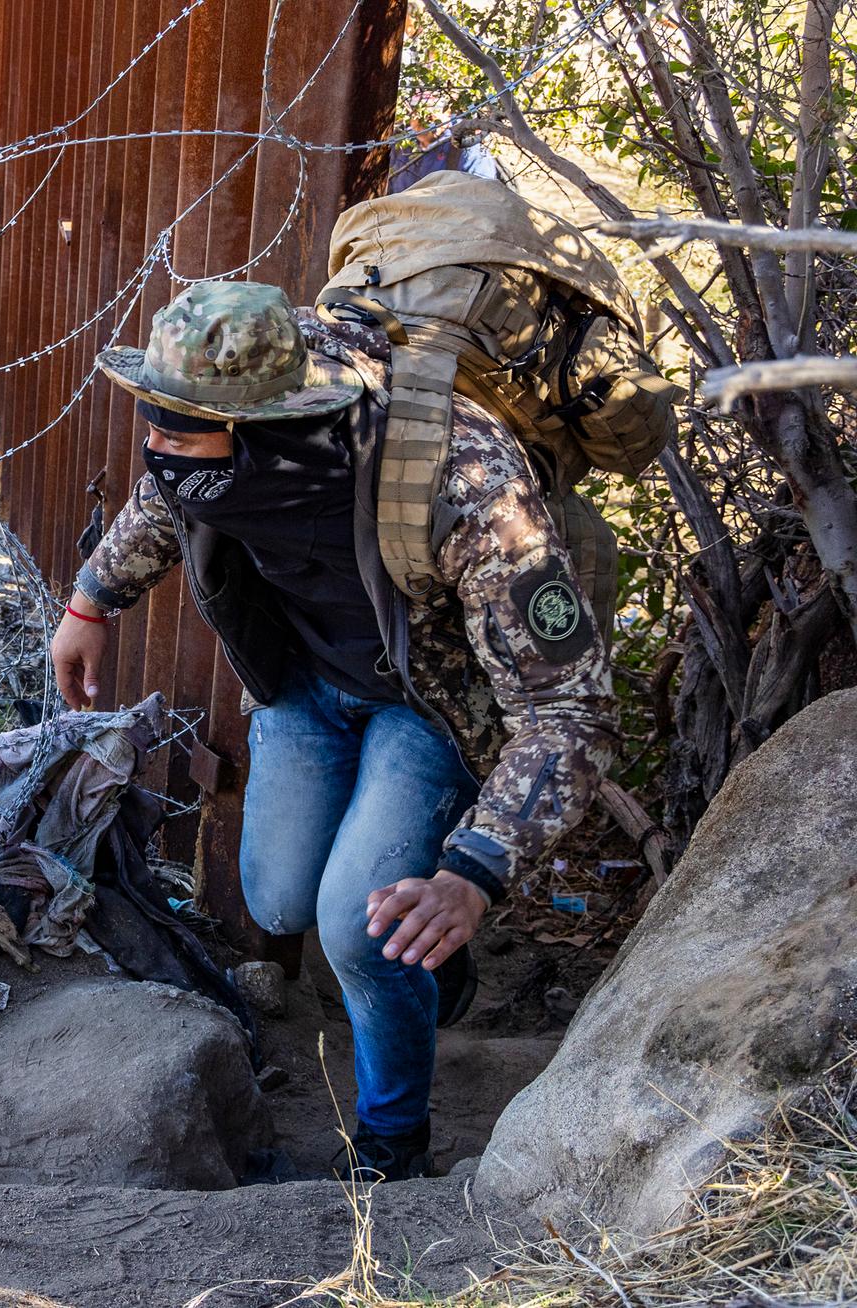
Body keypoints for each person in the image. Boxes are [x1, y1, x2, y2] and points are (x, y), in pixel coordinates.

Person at [52, 281, 618, 1180]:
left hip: (427, 707)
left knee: (362, 932)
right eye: (149, 420)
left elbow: (571, 713)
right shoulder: (215, 424)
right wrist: (93, 599)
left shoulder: (465, 486)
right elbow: (173, 491)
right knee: (277, 900)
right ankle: (427, 976)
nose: (153, 447)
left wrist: (473, 873)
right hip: (309, 685)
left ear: (270, 425)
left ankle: (392, 1146)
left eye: (176, 428)